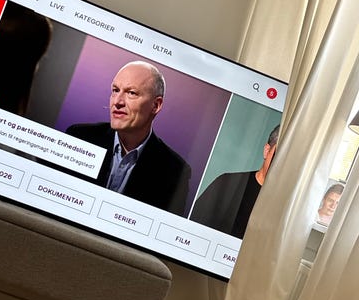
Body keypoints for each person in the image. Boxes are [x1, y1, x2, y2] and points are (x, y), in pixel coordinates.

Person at [66, 60, 191, 216]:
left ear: (156, 105)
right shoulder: (79, 136)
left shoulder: (175, 172)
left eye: (131, 93)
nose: (117, 102)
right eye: (115, 90)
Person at [189, 124, 280, 239]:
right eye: (279, 154)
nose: (282, 164)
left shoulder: (288, 209)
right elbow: (191, 228)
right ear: (267, 151)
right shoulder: (226, 184)